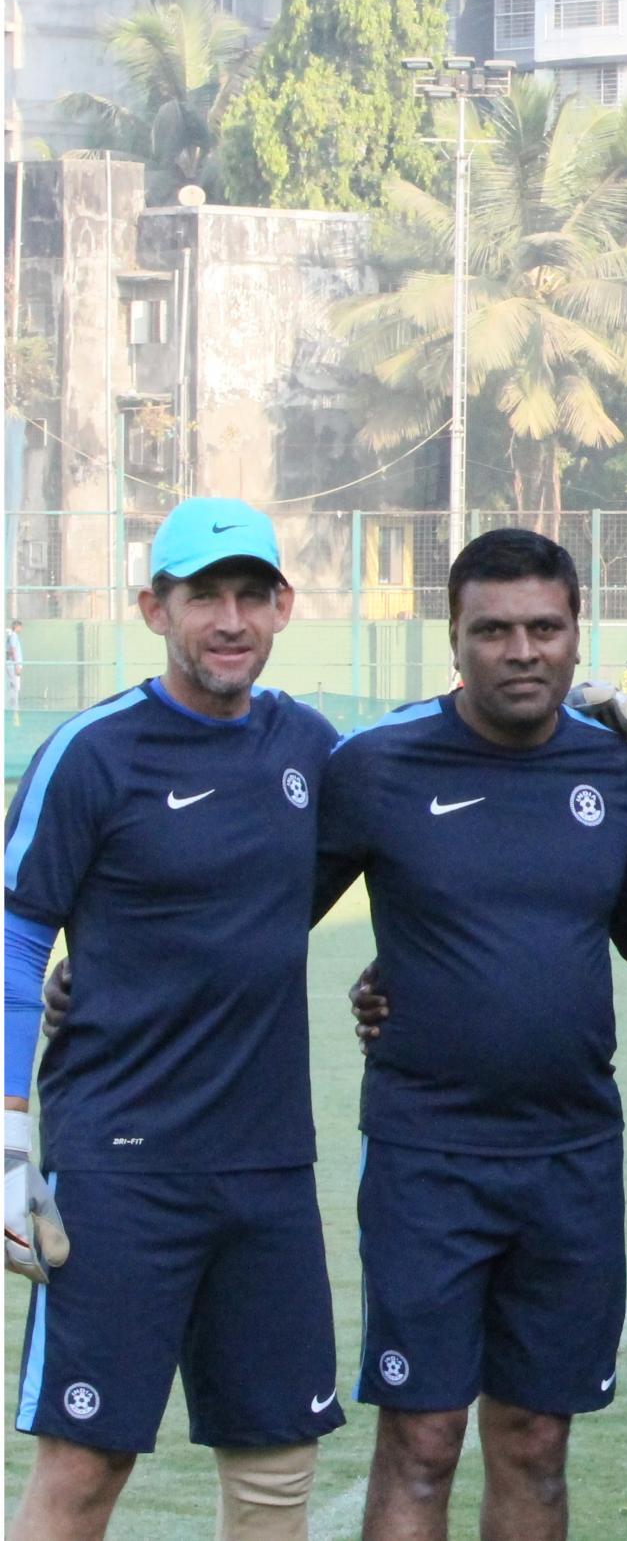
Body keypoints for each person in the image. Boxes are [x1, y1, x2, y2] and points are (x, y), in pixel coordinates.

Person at [320, 529, 627, 1541]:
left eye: (543, 627)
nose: (520, 649)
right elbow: (259, 921)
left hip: (570, 1158)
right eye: (494, 630)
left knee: (533, 1439)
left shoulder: (616, 775)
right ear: (454, 639)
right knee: (424, 1438)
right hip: (425, 1157)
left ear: (579, 636)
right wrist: (109, 971)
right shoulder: (379, 766)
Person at [5, 499, 345, 1541]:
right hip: (119, 1168)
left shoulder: (311, 747)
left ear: (284, 606)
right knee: (86, 1464)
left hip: (268, 1169)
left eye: (252, 595)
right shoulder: (95, 752)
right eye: (205, 596)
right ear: (157, 608)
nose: (231, 619)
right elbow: (19, 942)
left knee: (277, 1461)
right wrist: (11, 1132)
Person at [6, 617, 23, 719]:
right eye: (20, 627)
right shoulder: (13, 636)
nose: (21, 629)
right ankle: (14, 709)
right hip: (13, 665)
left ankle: (14, 707)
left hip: (13, 664)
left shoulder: (13, 636)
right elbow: (12, 650)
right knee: (15, 686)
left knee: (15, 687)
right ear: (17, 627)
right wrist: (17, 665)